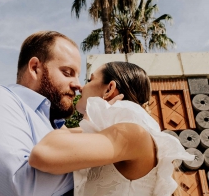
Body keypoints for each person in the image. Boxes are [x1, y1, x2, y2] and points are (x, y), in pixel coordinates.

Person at [29, 62, 194, 196]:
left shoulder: (132, 133)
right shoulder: (121, 134)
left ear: (109, 89)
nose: (80, 87)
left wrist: (90, 120)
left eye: (90, 80)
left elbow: (43, 152)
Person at [0, 31, 83, 196]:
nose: (78, 85)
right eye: (68, 73)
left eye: (78, 76)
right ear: (34, 68)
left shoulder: (53, 125)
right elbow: (19, 188)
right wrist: (102, 156)